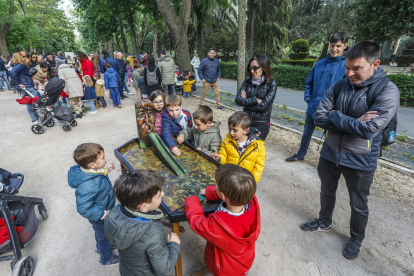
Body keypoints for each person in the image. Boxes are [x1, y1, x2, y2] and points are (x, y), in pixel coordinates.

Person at [301, 41, 400, 260]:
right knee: (326, 191)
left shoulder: (388, 90)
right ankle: (324, 222)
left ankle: (356, 238)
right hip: (330, 152)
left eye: (357, 68)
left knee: (358, 203)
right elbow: (319, 116)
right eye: (347, 67)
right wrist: (350, 120)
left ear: (375, 64)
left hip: (361, 159)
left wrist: (335, 115)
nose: (350, 73)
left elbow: (369, 129)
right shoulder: (340, 84)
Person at [185, 164, 261, 276]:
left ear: (223, 195)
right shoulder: (251, 201)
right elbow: (230, 192)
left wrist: (192, 200)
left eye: (216, 185)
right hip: (244, 261)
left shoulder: (218, 225)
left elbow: (198, 222)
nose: (215, 186)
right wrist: (210, 192)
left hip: (225, 269)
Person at [285, 31, 349, 162]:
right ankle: (300, 154)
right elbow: (308, 83)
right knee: (306, 133)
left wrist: (337, 108)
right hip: (313, 106)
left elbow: (346, 90)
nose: (334, 49)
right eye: (332, 45)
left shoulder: (346, 66)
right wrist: (309, 100)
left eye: (338, 46)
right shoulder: (319, 64)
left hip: (331, 111)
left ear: (345, 46)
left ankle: (328, 162)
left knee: (330, 137)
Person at [104, 169, 181, 276]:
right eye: (159, 195)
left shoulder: (114, 213)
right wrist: (174, 245)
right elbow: (164, 270)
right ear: (144, 207)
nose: (163, 194)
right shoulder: (153, 232)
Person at [67, 143, 120, 267]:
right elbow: (83, 208)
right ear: (91, 164)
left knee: (102, 235)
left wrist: (107, 171)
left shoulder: (92, 171)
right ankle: (106, 258)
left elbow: (98, 175)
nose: (106, 158)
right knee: (103, 236)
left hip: (103, 210)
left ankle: (102, 247)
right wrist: (102, 214)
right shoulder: (88, 185)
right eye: (102, 158)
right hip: (99, 215)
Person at [212, 111, 265, 183]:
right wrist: (218, 158)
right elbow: (223, 156)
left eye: (235, 130)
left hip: (244, 182)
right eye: (230, 129)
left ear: (246, 131)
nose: (231, 132)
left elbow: (258, 167)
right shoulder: (227, 141)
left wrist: (252, 182)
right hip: (228, 178)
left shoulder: (257, 147)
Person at [235, 53, 277, 141]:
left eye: (255, 68)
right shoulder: (247, 81)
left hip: (261, 124)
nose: (252, 71)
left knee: (255, 151)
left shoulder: (271, 84)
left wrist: (246, 100)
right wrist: (256, 100)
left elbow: (263, 107)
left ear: (264, 67)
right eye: (250, 68)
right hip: (245, 122)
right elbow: (238, 100)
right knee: (243, 149)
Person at [10, 52, 40, 124]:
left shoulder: (20, 65)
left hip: (27, 85)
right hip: (27, 86)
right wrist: (18, 84)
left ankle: (36, 117)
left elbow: (24, 74)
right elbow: (13, 72)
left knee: (32, 103)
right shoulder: (21, 65)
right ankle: (34, 120)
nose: (29, 60)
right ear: (25, 58)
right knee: (33, 102)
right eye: (28, 59)